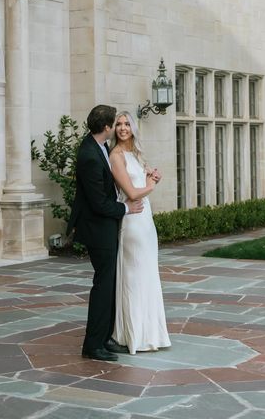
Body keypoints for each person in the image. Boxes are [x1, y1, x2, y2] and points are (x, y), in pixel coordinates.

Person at [67, 105, 144, 362]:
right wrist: (126, 207)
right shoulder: (89, 154)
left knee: (110, 283)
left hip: (106, 227)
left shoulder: (100, 147)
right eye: (115, 124)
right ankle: (93, 345)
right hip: (97, 229)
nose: (118, 128)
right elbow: (99, 203)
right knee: (103, 285)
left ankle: (105, 338)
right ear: (107, 127)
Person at [109, 111, 171, 354]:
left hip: (145, 220)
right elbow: (132, 194)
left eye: (127, 124)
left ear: (133, 127)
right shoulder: (116, 156)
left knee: (148, 276)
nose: (123, 128)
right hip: (132, 220)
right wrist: (151, 185)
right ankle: (132, 336)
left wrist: (150, 177)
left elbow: (141, 186)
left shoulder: (134, 153)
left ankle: (152, 334)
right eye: (118, 124)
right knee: (134, 278)